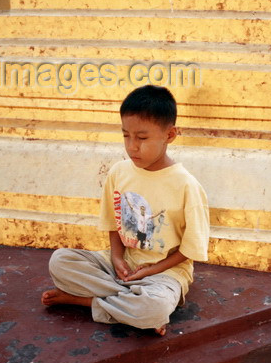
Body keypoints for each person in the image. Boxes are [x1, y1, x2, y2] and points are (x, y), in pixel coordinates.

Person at [41, 85, 210, 336]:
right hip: (122, 265)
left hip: (164, 274)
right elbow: (113, 223)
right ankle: (130, 307)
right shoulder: (119, 172)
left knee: (154, 307)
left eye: (142, 138)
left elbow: (190, 249)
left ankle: (86, 301)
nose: (132, 147)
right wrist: (118, 259)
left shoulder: (186, 185)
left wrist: (151, 270)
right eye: (126, 136)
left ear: (170, 134)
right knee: (60, 261)